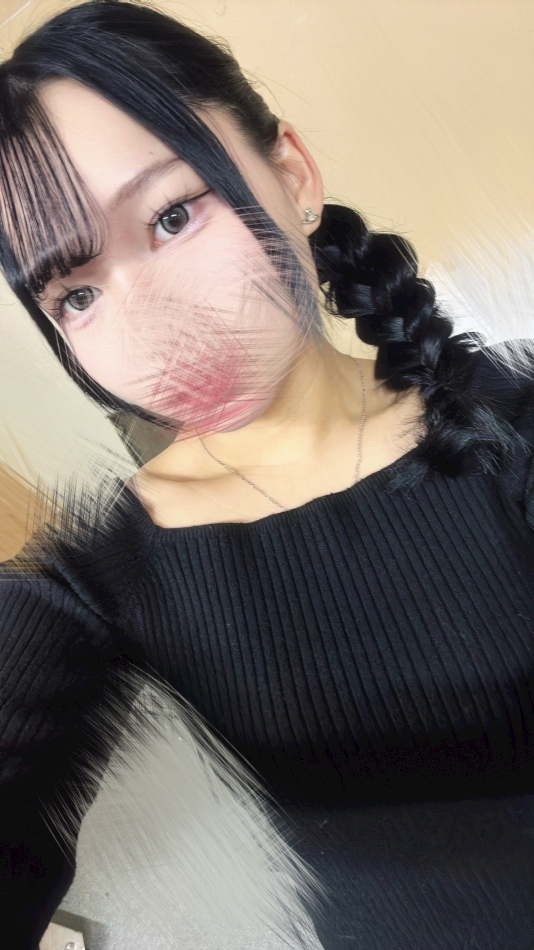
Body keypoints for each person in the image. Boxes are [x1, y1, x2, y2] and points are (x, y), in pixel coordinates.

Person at [0, 2, 534, 948]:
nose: (152, 321)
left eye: (171, 217)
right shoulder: (95, 579)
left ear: (291, 174)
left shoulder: (509, 417)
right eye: (76, 293)